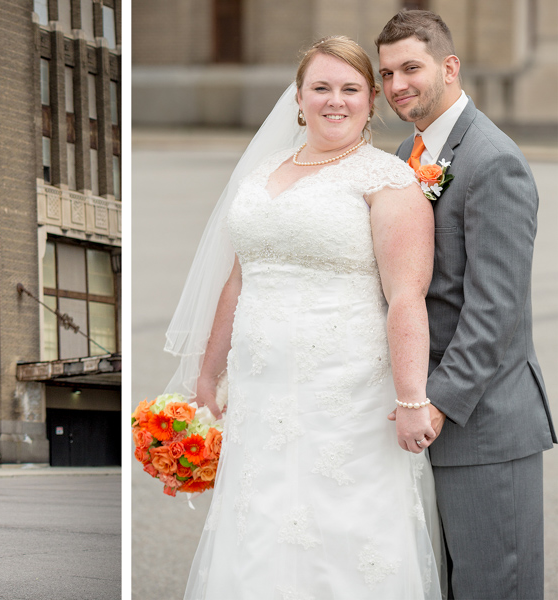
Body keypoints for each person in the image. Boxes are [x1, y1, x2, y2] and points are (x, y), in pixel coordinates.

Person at [166, 36, 443, 598]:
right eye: (320, 88)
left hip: (349, 394)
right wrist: (207, 373)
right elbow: (239, 280)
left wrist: (413, 398)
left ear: (371, 100)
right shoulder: (263, 170)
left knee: (344, 531)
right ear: (298, 98)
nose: (334, 101)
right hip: (261, 394)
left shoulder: (387, 182)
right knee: (260, 524)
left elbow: (406, 297)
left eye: (350, 89)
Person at [376, 10, 556, 598]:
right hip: (430, 415)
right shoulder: (409, 150)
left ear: (449, 67)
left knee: (492, 586)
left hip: (484, 425)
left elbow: (495, 310)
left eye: (411, 68)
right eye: (386, 74)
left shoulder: (492, 161)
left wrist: (437, 407)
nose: (397, 84)